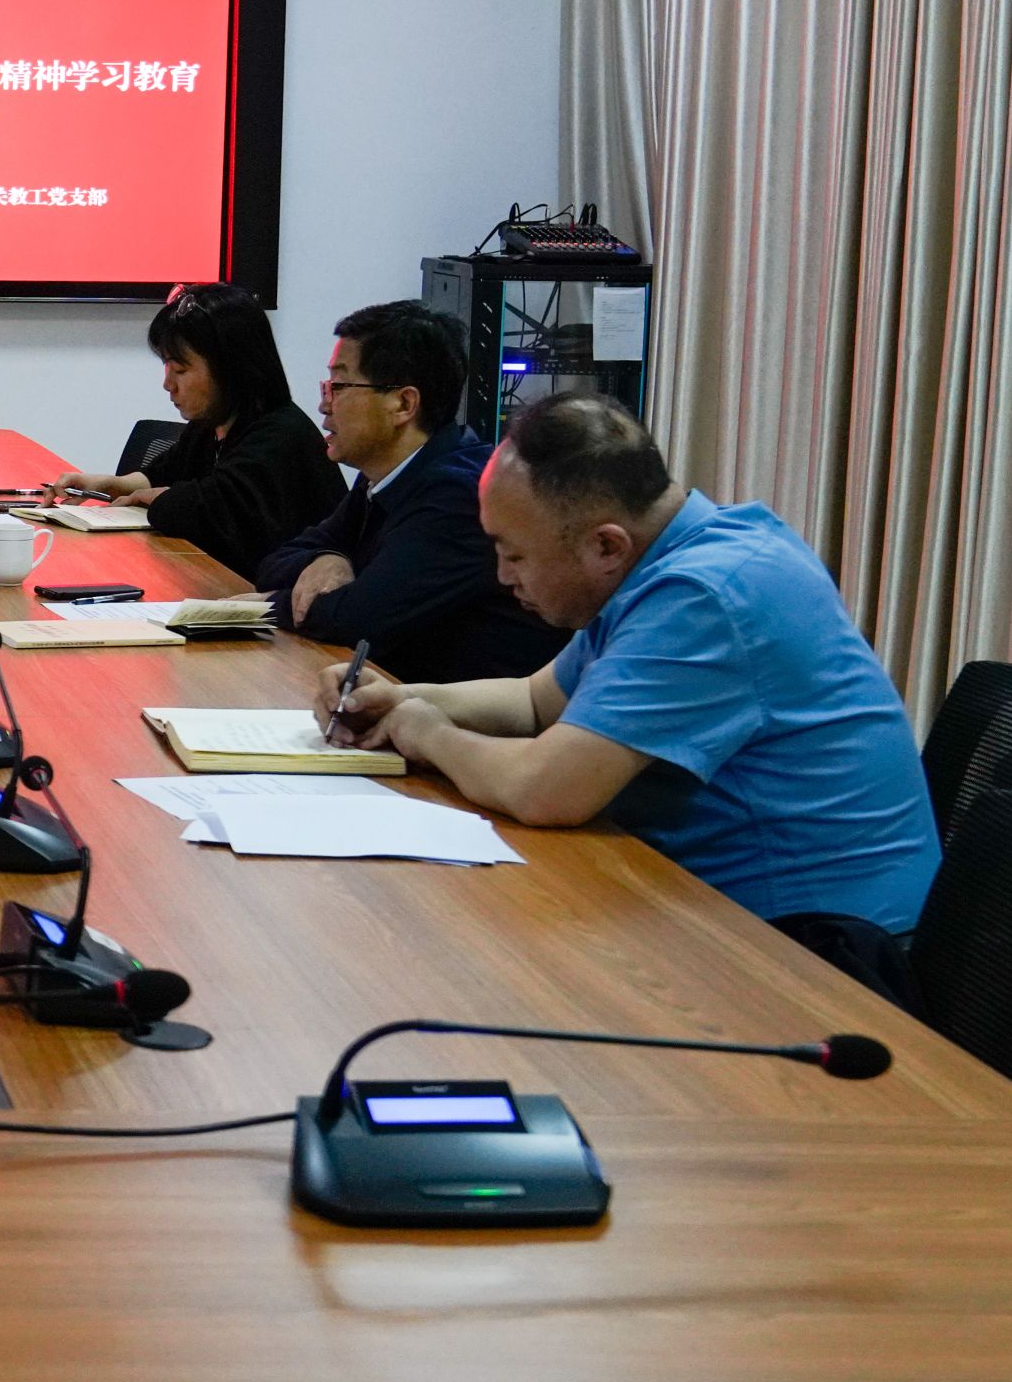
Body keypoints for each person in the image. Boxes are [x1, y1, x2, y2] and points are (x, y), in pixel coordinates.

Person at [319, 394, 941, 990]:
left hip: (825, 957)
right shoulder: (677, 555)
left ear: (606, 545)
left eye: (515, 555)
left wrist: (425, 731)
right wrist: (400, 698)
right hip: (741, 919)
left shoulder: (704, 596)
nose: (503, 577)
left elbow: (545, 790)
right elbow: (536, 701)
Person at [256, 300, 566, 684]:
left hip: (478, 714)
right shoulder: (383, 476)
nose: (324, 404)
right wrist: (326, 557)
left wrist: (268, 605)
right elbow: (275, 562)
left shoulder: (458, 496)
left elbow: (357, 620)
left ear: (404, 404)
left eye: (339, 386)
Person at [56, 283, 345, 582]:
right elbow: (165, 473)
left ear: (231, 368)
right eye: (166, 367)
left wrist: (159, 498)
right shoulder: (212, 423)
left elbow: (203, 510)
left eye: (180, 370)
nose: (168, 384)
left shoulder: (279, 437)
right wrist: (112, 484)